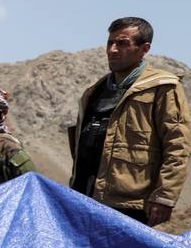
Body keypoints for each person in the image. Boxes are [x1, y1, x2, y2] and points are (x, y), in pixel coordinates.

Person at [69, 16, 191, 226]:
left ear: (144, 49)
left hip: (131, 204)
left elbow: (178, 145)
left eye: (122, 43)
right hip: (84, 197)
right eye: (110, 42)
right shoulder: (94, 91)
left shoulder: (162, 87)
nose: (112, 50)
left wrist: (164, 196)